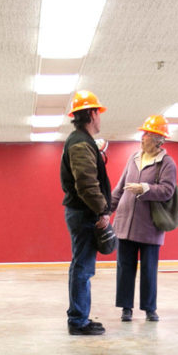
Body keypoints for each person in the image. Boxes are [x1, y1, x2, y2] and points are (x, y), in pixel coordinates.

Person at [109, 114, 177, 323]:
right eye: (144, 133)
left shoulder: (166, 163)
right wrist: (106, 209)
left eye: (147, 134)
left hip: (149, 226)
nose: (143, 137)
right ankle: (126, 308)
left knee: (149, 269)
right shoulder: (134, 158)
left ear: (159, 139)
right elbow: (121, 187)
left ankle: (149, 309)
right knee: (124, 268)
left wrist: (145, 188)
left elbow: (168, 190)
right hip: (125, 223)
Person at [60, 90, 112, 336]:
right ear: (92, 114)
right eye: (98, 113)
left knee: (81, 266)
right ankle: (78, 321)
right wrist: (102, 211)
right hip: (84, 214)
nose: (100, 118)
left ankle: (79, 317)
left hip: (81, 212)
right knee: (83, 268)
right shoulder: (80, 142)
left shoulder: (81, 140)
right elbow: (86, 184)